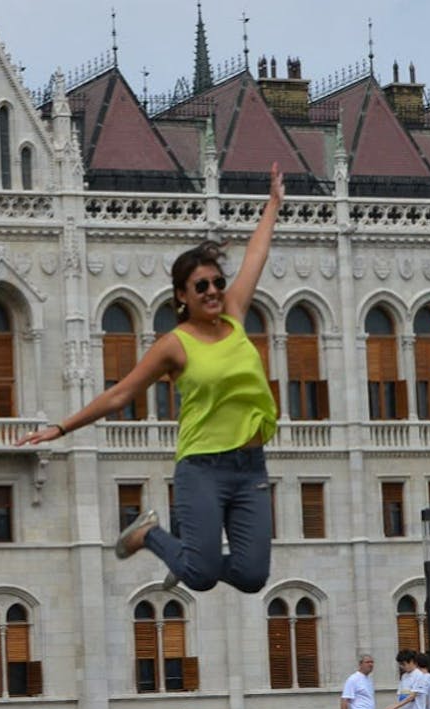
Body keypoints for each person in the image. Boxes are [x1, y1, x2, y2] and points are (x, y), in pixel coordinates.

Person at [18, 164, 285, 594]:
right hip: (202, 467)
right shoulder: (173, 345)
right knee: (200, 575)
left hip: (250, 464)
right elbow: (121, 394)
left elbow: (257, 254)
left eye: (217, 282)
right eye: (202, 286)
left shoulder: (235, 316)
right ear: (182, 295)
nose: (214, 291)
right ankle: (149, 534)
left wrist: (272, 204)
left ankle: (187, 556)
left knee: (253, 577)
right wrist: (60, 428)